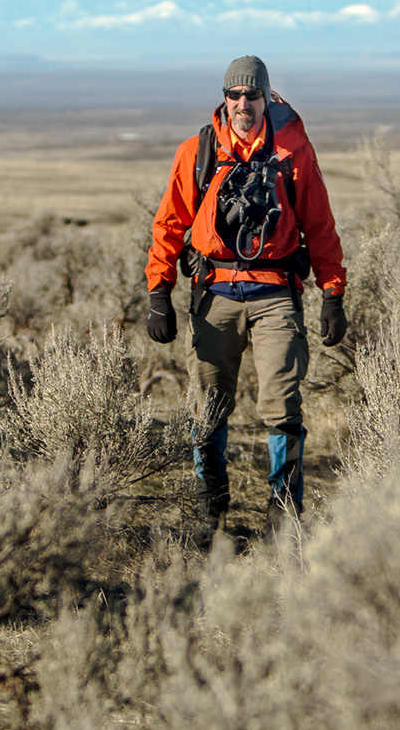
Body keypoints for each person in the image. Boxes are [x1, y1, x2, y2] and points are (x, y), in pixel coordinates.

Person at [144, 56, 347, 541]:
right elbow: (170, 225)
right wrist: (158, 292)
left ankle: (283, 515)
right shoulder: (197, 152)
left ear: (266, 98)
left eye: (251, 95)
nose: (242, 104)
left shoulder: (294, 152)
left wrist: (332, 293)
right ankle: (208, 512)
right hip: (214, 293)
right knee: (208, 405)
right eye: (233, 95)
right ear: (224, 98)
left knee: (282, 406)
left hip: (276, 293)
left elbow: (320, 227)